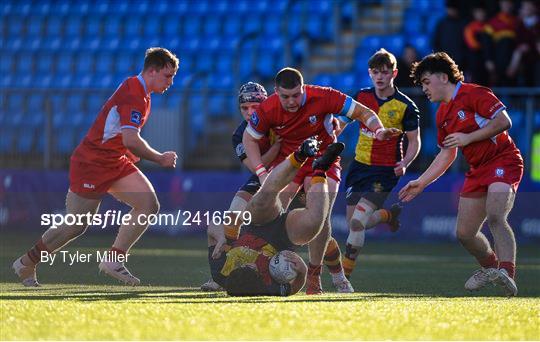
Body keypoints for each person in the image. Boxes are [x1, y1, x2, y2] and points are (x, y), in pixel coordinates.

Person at [12, 47, 179, 286]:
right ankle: (27, 263)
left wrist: (128, 152)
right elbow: (130, 139)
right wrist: (160, 158)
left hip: (115, 161)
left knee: (148, 204)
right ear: (152, 71)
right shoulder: (134, 92)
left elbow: (122, 136)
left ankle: (114, 259)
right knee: (76, 225)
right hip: (92, 163)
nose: (171, 82)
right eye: (168, 75)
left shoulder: (142, 93)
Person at [242, 67, 401, 294]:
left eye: (296, 95)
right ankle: (251, 265)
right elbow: (249, 138)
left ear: (303, 87)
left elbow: (364, 113)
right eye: (285, 96)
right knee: (272, 218)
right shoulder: (268, 108)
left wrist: (378, 130)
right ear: (275, 91)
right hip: (291, 164)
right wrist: (261, 172)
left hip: (324, 160)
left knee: (320, 216)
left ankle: (315, 277)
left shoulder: (324, 96)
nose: (291, 101)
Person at [201, 82, 352, 293]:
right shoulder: (242, 133)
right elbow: (255, 165)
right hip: (267, 176)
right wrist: (277, 146)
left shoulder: (280, 117)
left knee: (319, 228)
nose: (250, 112)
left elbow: (323, 126)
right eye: (245, 108)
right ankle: (221, 273)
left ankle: (337, 277)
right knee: (238, 212)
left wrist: (339, 122)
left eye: (255, 107)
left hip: (295, 172)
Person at [400, 52, 523, 296]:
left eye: (425, 82)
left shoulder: (475, 93)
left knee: (496, 215)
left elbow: (503, 121)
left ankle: (507, 273)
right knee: (464, 234)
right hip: (477, 170)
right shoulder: (442, 114)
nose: (424, 89)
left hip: (503, 160)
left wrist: (468, 137)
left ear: (443, 77)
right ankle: (492, 270)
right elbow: (447, 155)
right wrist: (421, 182)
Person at [208, 137, 343, 296]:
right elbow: (294, 286)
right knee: (315, 223)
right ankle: (320, 169)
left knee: (263, 199)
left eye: (243, 266)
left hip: (255, 222)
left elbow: (212, 228)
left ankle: (300, 155)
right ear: (259, 280)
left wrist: (223, 236)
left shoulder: (221, 271)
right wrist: (301, 269)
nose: (251, 265)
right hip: (283, 236)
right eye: (254, 270)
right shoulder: (267, 287)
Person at [339, 48, 421, 279]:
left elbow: (415, 141)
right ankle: (387, 216)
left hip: (385, 171)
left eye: (384, 72)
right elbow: (343, 122)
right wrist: (331, 135)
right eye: (376, 72)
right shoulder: (361, 97)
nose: (380, 77)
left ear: (394, 73)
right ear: (369, 73)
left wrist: (405, 162)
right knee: (355, 224)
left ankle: (344, 276)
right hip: (359, 166)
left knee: (357, 222)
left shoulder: (406, 106)